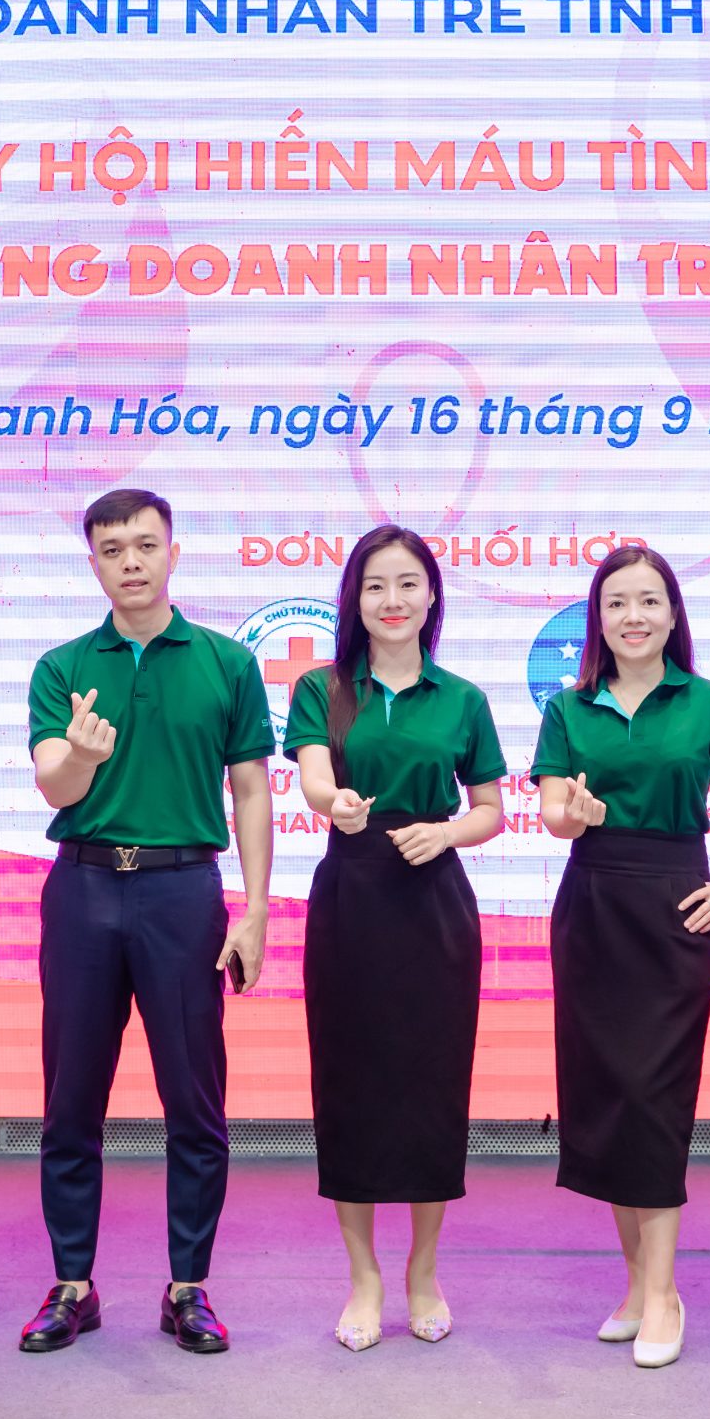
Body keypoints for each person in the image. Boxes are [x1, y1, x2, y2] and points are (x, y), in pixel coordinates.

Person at [19, 488, 274, 1355]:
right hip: (84, 889)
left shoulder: (227, 663)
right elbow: (53, 785)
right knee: (70, 1099)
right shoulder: (61, 666)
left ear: (173, 552)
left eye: (144, 544)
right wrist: (83, 757)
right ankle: (72, 1284)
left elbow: (250, 792)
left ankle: (188, 1287)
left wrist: (256, 909)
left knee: (195, 1100)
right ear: (92, 561)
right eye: (112, 549)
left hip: (184, 892)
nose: (130, 561)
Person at [531, 545, 710, 1369]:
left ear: (673, 614)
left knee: (655, 1100)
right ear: (597, 620)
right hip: (592, 907)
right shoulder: (569, 708)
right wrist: (578, 812)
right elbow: (554, 815)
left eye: (647, 601)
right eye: (616, 604)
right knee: (608, 1100)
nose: (632, 616)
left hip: (675, 907)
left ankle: (666, 1293)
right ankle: (638, 1286)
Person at [285, 526, 507, 1351]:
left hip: (434, 903)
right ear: (355, 599)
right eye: (376, 585)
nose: (392, 600)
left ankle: (423, 1270)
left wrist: (447, 832)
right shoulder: (323, 687)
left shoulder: (462, 698)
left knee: (430, 1086)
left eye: (408, 583)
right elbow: (314, 774)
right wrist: (335, 803)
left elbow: (489, 808)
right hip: (351, 894)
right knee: (348, 1084)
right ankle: (363, 1277)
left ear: (432, 596)